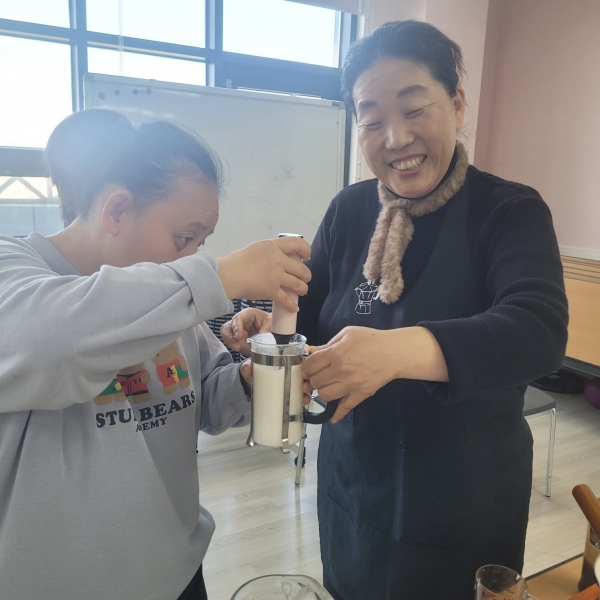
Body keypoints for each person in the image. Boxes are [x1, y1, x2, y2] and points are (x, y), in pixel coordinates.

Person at [221, 20, 568, 599]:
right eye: (372, 119)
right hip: (355, 482)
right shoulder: (350, 210)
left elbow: (538, 329)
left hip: (466, 498)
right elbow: (312, 314)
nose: (395, 138)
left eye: (414, 108)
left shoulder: (508, 210)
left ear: (457, 104)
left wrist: (396, 352)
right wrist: (274, 329)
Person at [0, 109, 311, 600]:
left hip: (177, 574)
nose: (191, 257)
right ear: (117, 210)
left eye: (201, 243)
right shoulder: (14, 269)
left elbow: (204, 401)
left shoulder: (166, 298)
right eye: (184, 238)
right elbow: (47, 345)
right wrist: (221, 275)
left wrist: (247, 379)